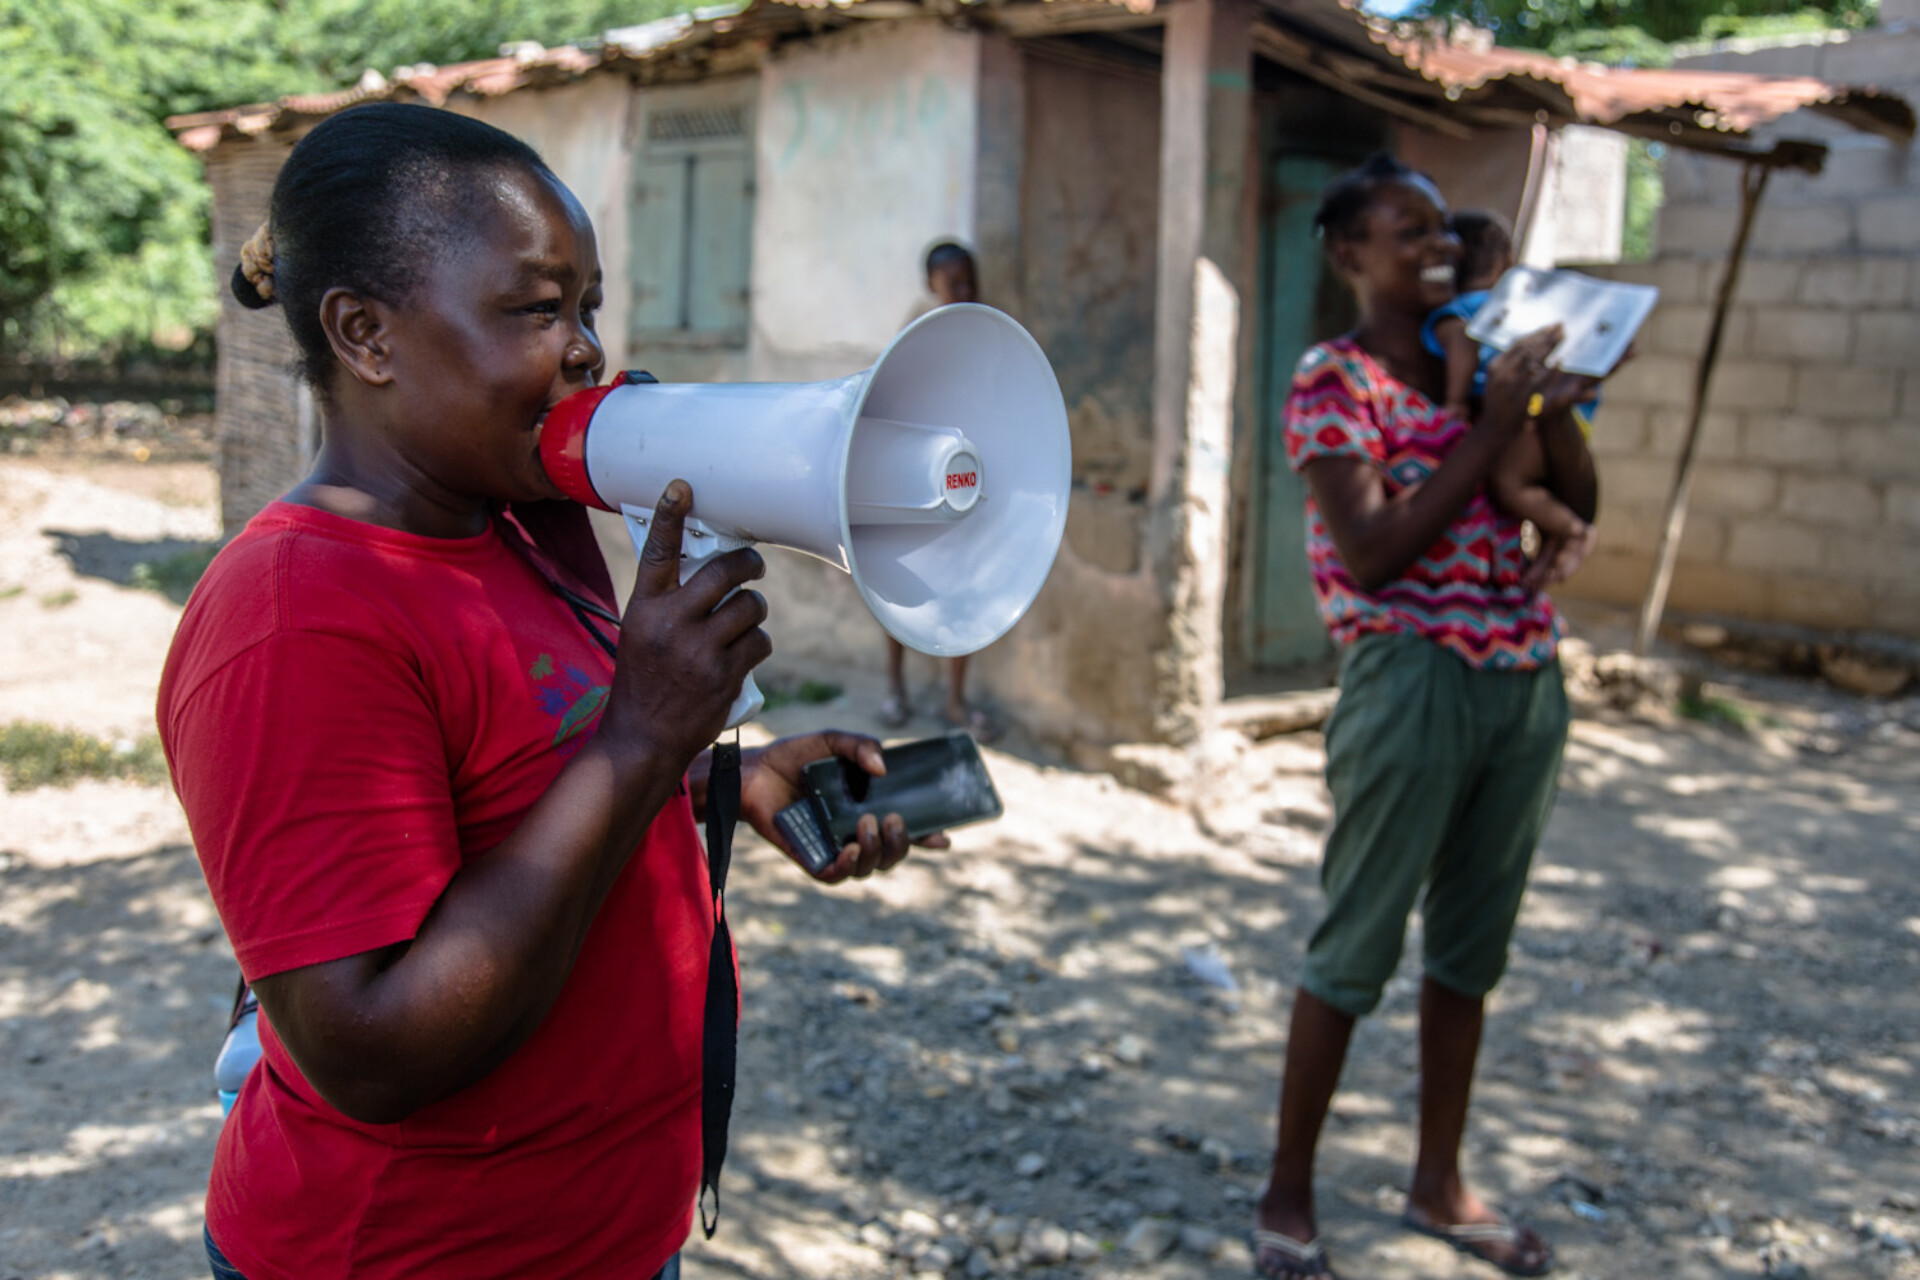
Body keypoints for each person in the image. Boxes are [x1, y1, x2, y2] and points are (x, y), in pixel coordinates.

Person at [158, 103, 939, 1280]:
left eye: (589, 310)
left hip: (606, 1235)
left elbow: (520, 781)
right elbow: (370, 1047)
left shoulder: (515, 529)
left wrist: (716, 780)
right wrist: (640, 737)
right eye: (535, 310)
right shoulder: (294, 614)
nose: (583, 351)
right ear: (366, 334)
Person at [1250, 153, 1602, 1280]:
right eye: (1408, 229)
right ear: (1349, 252)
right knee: (1357, 940)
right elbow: (1375, 551)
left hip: (1523, 677)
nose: (1438, 245)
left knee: (1471, 948)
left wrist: (1547, 408)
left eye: (1444, 227)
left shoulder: (1494, 365)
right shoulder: (1334, 379)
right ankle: (1289, 1190)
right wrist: (1490, 429)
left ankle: (1439, 1180)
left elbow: (1580, 502)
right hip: (1407, 675)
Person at [880, 240, 998, 741]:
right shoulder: (916, 331)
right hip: (917, 476)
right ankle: (895, 690)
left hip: (964, 474)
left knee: (962, 589)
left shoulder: (987, 331)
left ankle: (954, 700)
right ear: (932, 284)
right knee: (898, 586)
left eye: (970, 280)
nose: (965, 289)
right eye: (954, 282)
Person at [1424, 210, 1593, 549]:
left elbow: (1462, 345)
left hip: (1526, 418)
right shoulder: (1526, 310)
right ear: (1506, 264)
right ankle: (1559, 534)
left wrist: (1455, 400)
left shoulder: (1458, 312)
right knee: (1535, 484)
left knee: (1510, 485)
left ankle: (1573, 531)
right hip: (1566, 415)